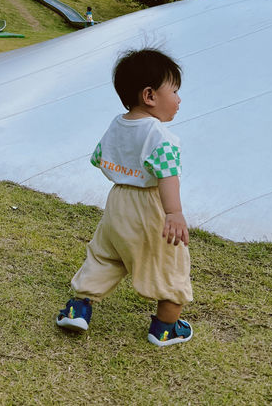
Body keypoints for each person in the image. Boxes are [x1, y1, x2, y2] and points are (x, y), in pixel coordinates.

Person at [55, 48, 193, 347]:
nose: (179, 99)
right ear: (150, 95)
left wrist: (126, 175)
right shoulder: (160, 136)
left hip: (117, 202)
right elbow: (168, 176)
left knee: (105, 255)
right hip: (151, 206)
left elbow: (99, 158)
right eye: (175, 91)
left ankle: (77, 308)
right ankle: (166, 327)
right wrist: (174, 213)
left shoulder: (117, 124)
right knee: (168, 263)